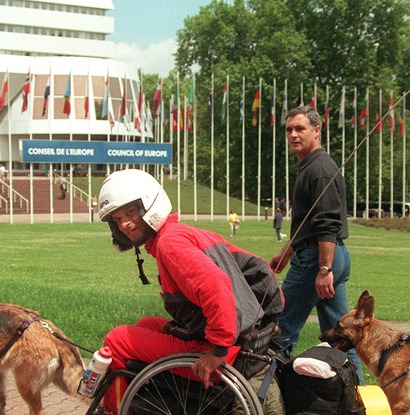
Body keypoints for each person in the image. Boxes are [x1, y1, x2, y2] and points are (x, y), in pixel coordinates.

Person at [97, 169, 284, 414]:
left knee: (116, 340)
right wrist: (269, 321)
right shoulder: (187, 233)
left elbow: (216, 286)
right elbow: (258, 267)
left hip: (221, 352)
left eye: (130, 212)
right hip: (242, 343)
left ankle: (112, 410)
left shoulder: (170, 243)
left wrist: (218, 350)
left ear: (149, 205)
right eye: (117, 219)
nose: (124, 224)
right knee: (146, 324)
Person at [268, 105, 362, 381]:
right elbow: (306, 223)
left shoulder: (319, 169)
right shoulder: (310, 165)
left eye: (300, 129)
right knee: (342, 335)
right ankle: (359, 397)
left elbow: (327, 224)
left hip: (317, 262)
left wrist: (323, 270)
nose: (293, 135)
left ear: (317, 131)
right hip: (323, 257)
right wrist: (286, 253)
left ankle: (270, 395)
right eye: (289, 130)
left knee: (280, 328)